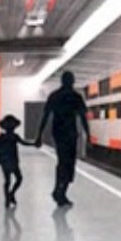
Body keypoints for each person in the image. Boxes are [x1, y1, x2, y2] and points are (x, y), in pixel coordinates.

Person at [35, 71, 91, 206]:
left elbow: (45, 116)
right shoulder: (76, 97)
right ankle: (61, 192)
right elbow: (83, 118)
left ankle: (58, 190)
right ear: (72, 81)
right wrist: (88, 135)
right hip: (70, 134)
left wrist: (39, 136)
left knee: (62, 162)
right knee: (69, 163)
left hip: (58, 133)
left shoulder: (54, 96)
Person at [0, 114, 35, 207]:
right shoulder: (14, 136)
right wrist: (33, 144)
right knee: (18, 178)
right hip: (13, 160)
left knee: (7, 181)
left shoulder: (1, 137)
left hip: (5, 161)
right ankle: (11, 194)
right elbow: (24, 143)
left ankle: (7, 198)